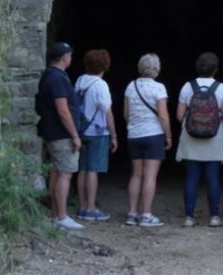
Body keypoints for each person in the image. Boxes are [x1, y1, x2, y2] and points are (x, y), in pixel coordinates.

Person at [175, 52, 223, 228]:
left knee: (191, 177)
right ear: (216, 69)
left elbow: (179, 115)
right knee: (212, 177)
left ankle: (189, 217)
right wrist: (218, 129)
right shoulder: (222, 88)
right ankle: (214, 217)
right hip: (214, 138)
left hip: (191, 137)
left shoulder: (187, 87)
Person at [35, 41, 84, 230]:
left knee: (57, 172)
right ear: (65, 58)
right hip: (61, 133)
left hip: (52, 131)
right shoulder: (57, 79)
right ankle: (62, 216)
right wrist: (75, 135)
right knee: (65, 174)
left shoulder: (48, 76)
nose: (71, 59)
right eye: (70, 56)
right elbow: (63, 110)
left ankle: (56, 215)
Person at [123, 53, 171, 227]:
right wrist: (169, 136)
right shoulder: (159, 88)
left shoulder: (131, 86)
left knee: (136, 174)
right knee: (150, 176)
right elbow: (163, 116)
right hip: (153, 135)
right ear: (157, 69)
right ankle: (146, 215)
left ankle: (131, 213)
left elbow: (126, 114)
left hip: (134, 135)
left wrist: (134, 125)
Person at [74, 48, 117, 222]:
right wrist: (114, 135)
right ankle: (91, 208)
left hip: (80, 130)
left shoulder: (80, 80)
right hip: (97, 131)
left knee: (82, 169)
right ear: (104, 66)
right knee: (93, 170)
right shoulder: (100, 85)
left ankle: (82, 206)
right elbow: (107, 111)